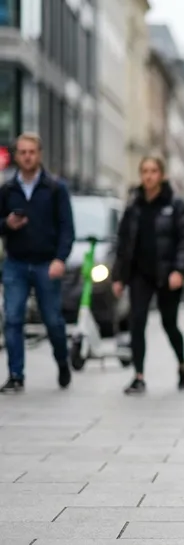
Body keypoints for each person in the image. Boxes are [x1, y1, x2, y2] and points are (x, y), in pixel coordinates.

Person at [111, 157, 184, 395]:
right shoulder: (133, 206)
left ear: (162, 175)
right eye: (145, 171)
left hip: (167, 274)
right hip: (140, 274)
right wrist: (118, 276)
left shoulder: (175, 205)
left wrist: (179, 270)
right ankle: (138, 376)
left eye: (153, 171)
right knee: (137, 322)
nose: (149, 176)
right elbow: (123, 243)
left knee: (170, 324)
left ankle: (182, 364)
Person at [0, 133, 75, 394]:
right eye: (22, 152)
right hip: (16, 263)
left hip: (46, 263)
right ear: (16, 156)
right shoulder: (8, 190)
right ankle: (16, 375)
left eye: (31, 152)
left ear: (39, 154)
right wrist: (7, 224)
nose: (27, 157)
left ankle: (62, 361)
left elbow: (67, 228)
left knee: (53, 320)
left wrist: (60, 259)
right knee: (12, 318)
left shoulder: (55, 188)